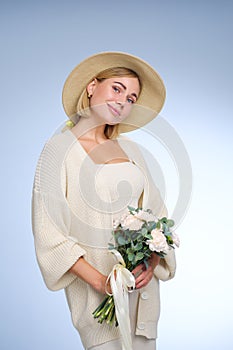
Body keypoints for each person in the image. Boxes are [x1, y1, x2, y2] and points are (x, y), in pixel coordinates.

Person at [31, 51, 176, 350]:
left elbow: (158, 215)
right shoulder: (58, 150)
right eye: (117, 88)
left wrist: (152, 261)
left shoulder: (131, 149)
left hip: (143, 297)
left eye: (132, 98)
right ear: (92, 86)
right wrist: (102, 284)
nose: (123, 101)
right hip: (100, 303)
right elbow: (50, 234)